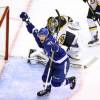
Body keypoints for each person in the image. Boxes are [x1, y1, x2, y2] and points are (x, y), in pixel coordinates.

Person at [20, 12, 76, 96]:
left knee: (57, 83)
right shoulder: (41, 35)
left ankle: (71, 80)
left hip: (62, 62)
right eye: (40, 36)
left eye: (43, 36)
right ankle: (47, 89)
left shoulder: (51, 40)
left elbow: (58, 48)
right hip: (52, 60)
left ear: (46, 36)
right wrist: (27, 21)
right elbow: (33, 30)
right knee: (45, 78)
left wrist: (56, 47)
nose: (41, 38)